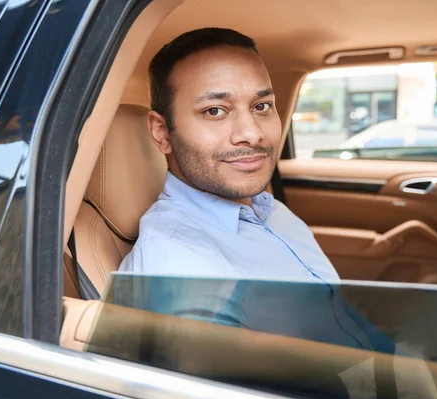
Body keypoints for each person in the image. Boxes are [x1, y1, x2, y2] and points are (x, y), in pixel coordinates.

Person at [119, 27, 338, 282]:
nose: (252, 133)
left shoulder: (272, 211)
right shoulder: (176, 260)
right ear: (162, 133)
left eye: (261, 106)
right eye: (214, 111)